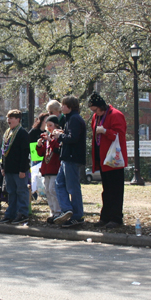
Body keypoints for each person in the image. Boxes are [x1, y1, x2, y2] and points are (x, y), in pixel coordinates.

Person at [88, 92, 127, 229]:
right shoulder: (96, 117)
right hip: (103, 158)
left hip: (114, 159)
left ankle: (116, 218)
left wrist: (105, 131)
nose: (94, 113)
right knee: (106, 190)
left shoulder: (116, 115)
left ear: (101, 107)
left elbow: (120, 135)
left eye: (95, 110)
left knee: (115, 190)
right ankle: (105, 216)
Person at [53, 96, 87, 227]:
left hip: (72, 158)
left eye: (63, 105)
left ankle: (78, 216)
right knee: (59, 183)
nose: (61, 107)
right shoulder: (70, 119)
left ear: (70, 106)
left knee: (73, 188)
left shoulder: (74, 119)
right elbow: (71, 135)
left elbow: (73, 138)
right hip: (66, 157)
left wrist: (60, 136)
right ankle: (67, 209)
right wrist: (62, 133)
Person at [0, 109, 31, 225]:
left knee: (21, 191)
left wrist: (23, 169)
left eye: (11, 118)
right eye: (8, 118)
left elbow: (25, 153)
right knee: (11, 192)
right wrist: (3, 167)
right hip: (9, 169)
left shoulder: (22, 133)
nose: (8, 120)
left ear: (18, 119)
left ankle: (23, 213)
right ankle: (10, 214)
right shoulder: (7, 133)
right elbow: (3, 151)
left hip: (19, 169)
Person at [36, 115, 62, 223]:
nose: (49, 128)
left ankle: (58, 211)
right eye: (47, 126)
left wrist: (50, 140)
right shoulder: (48, 137)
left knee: (53, 189)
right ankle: (52, 212)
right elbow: (41, 153)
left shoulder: (57, 136)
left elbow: (56, 149)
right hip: (46, 168)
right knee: (47, 190)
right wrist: (39, 145)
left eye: (51, 125)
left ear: (56, 125)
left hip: (55, 168)